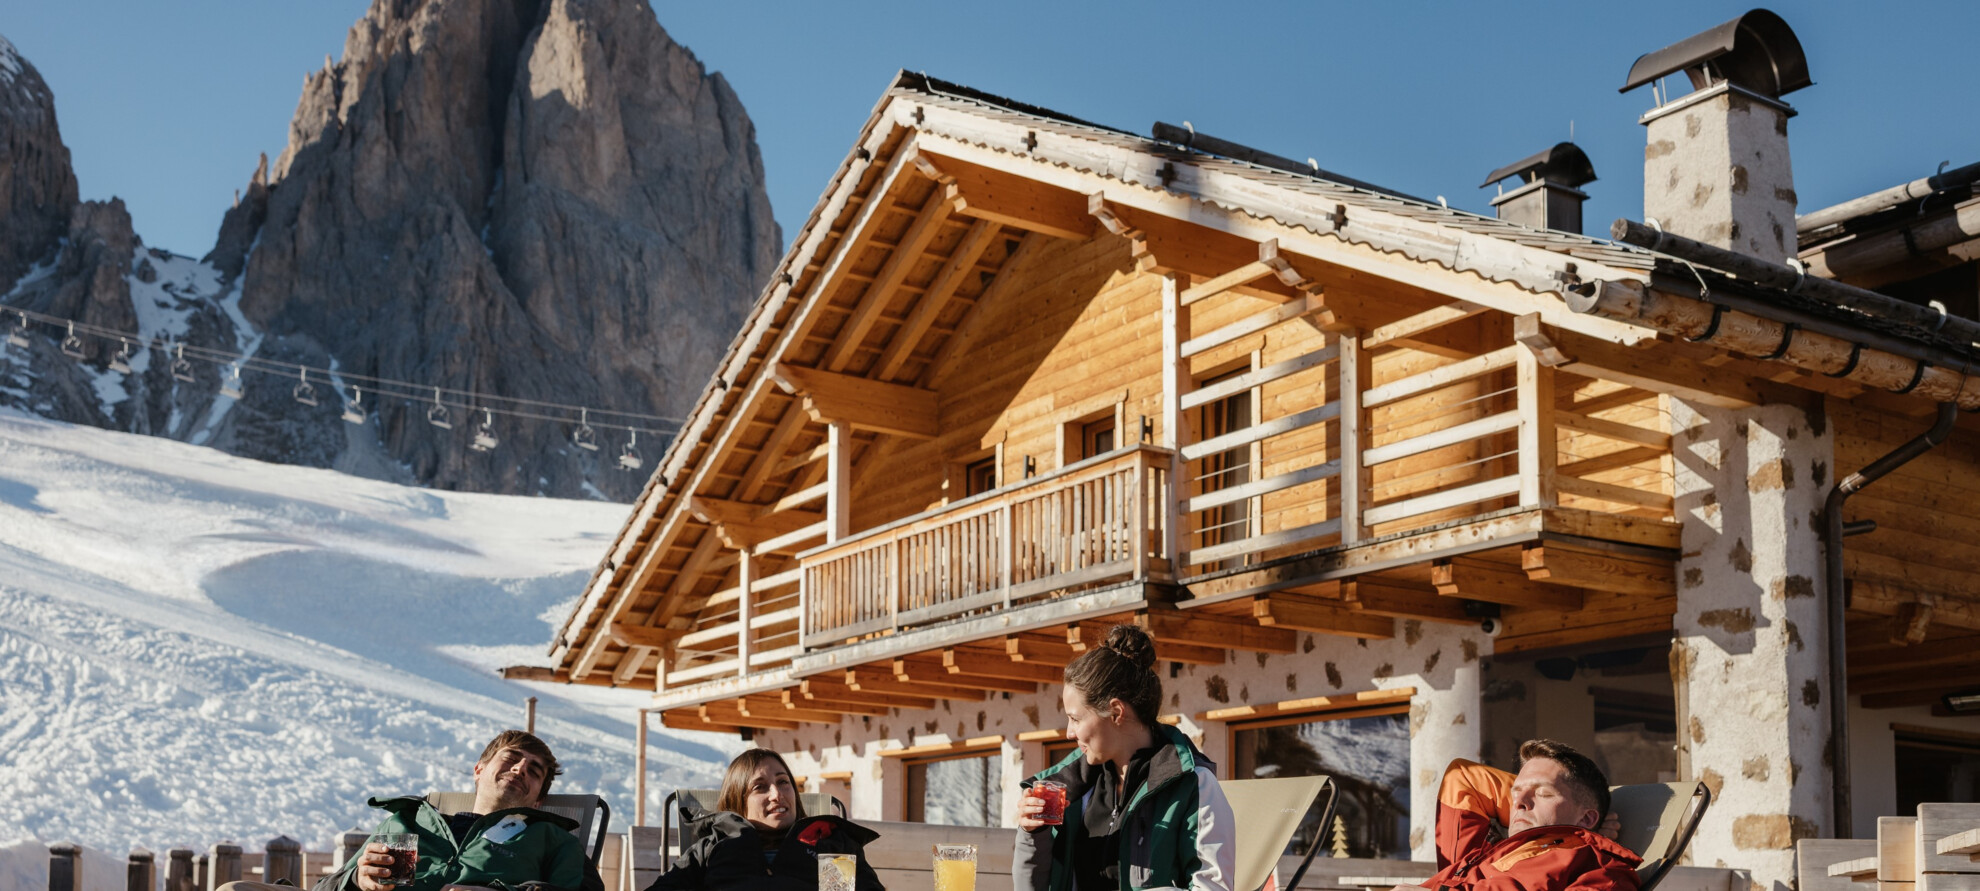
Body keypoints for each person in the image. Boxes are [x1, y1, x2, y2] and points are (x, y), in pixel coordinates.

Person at [1014, 624, 1237, 891]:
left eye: (1075, 718)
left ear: (1116, 712)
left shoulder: (1194, 786)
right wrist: (1033, 835)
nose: (1069, 733)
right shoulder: (1070, 788)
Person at [276, 730, 598, 891]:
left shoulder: (552, 839)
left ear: (538, 800)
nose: (520, 769)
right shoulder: (407, 822)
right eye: (512, 758)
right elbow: (326, 888)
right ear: (478, 770)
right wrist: (356, 880)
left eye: (535, 771)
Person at [1405, 739, 1640, 891]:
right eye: (1515, 792)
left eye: (1544, 793)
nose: (1518, 803)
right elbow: (1463, 778)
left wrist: (1581, 832)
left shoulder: (1602, 869)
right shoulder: (1486, 854)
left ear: (1588, 817)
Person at [644, 748, 885, 891]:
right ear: (738, 800)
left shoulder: (828, 844)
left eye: (783, 782)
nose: (777, 794)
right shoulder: (715, 848)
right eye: (760, 787)